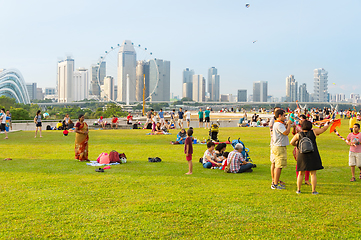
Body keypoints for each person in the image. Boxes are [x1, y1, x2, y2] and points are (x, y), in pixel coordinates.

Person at [290, 120, 330, 194]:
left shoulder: (298, 134)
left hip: (302, 155)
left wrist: (298, 145)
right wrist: (328, 124)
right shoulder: (313, 132)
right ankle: (313, 190)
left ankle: (298, 189)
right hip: (312, 154)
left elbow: (291, 142)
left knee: (301, 173)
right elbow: (323, 129)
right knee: (313, 174)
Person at [271, 109, 293, 190]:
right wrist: (289, 124)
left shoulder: (278, 124)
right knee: (279, 166)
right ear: (279, 116)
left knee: (278, 165)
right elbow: (286, 132)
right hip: (279, 147)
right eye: (284, 116)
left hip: (278, 146)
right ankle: (275, 184)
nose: (285, 117)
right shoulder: (279, 125)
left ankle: (275, 182)